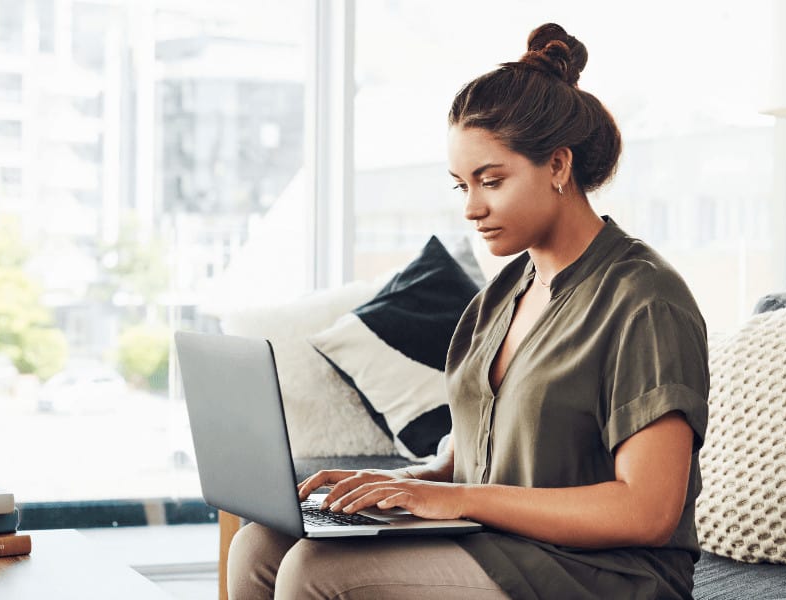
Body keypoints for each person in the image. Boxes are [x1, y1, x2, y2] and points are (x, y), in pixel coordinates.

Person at [226, 22, 710, 600]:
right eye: (462, 186)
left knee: (315, 573)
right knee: (259, 546)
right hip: (500, 539)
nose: (473, 208)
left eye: (491, 180)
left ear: (558, 166)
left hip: (602, 572)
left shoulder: (643, 299)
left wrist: (458, 499)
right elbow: (468, 462)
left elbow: (647, 510)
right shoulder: (503, 295)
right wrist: (394, 486)